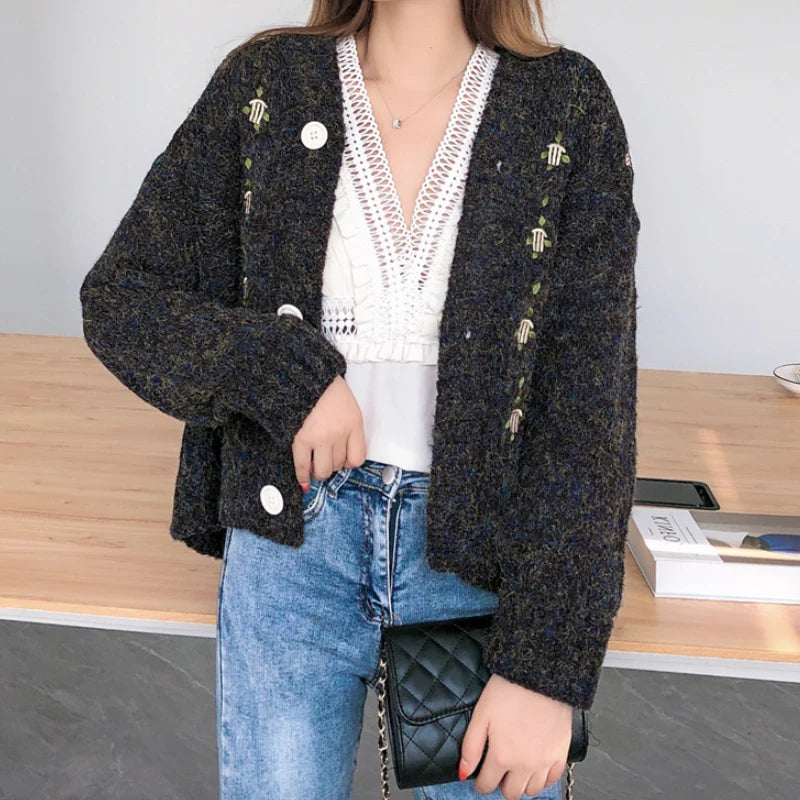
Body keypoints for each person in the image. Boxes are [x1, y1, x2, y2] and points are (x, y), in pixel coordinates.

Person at [80, 1, 641, 798]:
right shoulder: (267, 85)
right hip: (293, 553)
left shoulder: (566, 107)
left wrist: (546, 669)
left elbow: (589, 413)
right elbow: (122, 298)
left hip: (480, 573)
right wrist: (287, 378)